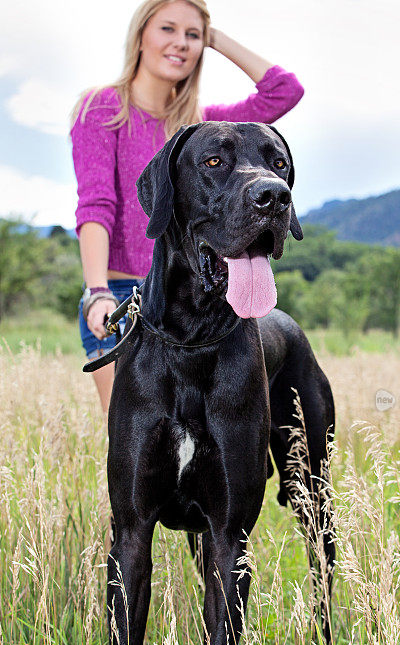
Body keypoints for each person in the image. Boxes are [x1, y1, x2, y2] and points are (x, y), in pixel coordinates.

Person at [70, 0, 304, 415]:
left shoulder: (204, 127)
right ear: (141, 33)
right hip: (127, 297)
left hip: (200, 298)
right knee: (135, 451)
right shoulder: (103, 109)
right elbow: (96, 206)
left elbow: (284, 91)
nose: (180, 43)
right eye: (167, 29)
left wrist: (213, 37)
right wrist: (97, 291)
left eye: (191, 35)